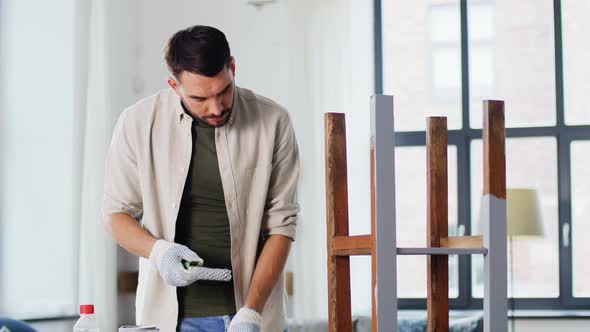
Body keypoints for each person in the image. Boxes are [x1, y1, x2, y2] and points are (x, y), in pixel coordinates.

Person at [102, 25, 299, 332]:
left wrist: (251, 313)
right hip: (169, 321)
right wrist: (159, 251)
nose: (216, 107)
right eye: (199, 98)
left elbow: (281, 227)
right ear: (174, 85)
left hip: (253, 316)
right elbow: (116, 215)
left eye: (224, 91)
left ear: (232, 68)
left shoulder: (273, 121)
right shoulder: (138, 123)